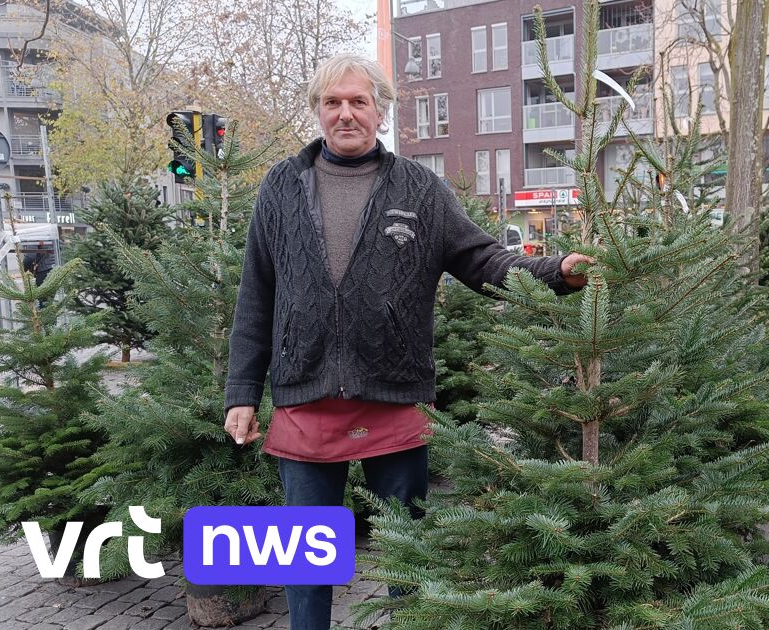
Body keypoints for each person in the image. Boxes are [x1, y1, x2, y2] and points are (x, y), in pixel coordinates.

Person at [222, 54, 590, 630]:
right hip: (304, 400)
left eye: (359, 101)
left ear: (381, 110)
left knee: (408, 559)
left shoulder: (419, 188)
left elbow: (482, 258)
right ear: (318, 111)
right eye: (332, 102)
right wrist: (242, 390)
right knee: (306, 564)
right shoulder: (280, 187)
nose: (345, 113)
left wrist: (556, 273)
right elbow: (256, 295)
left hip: (394, 399)